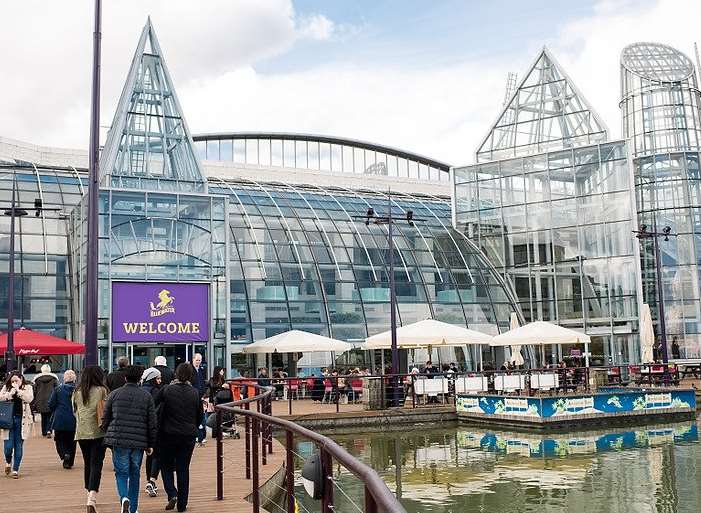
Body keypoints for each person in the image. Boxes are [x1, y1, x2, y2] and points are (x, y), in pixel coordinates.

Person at [101, 365, 157, 513]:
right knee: (135, 473)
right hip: (139, 441)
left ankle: (124, 498)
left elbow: (105, 418)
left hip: (119, 439)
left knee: (121, 472)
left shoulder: (114, 394)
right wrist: (151, 443)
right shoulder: (146, 396)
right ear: (140, 379)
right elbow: (152, 422)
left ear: (125, 378)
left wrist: (107, 434)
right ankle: (133, 508)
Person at [156, 363, 201, 512]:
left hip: (168, 434)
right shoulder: (194, 392)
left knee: (165, 465)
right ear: (190, 376)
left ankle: (172, 493)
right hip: (188, 436)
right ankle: (182, 504)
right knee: (183, 468)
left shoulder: (167, 390)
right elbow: (200, 416)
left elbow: (153, 405)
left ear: (176, 374)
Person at [74, 365, 109, 513]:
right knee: (96, 464)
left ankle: (88, 491)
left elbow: (74, 410)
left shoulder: (77, 391)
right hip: (98, 432)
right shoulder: (102, 390)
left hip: (82, 432)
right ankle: (92, 497)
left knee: (88, 462)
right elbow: (107, 410)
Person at [1, 371, 34, 478]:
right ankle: (8, 462)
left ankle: (15, 469)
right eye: (12, 381)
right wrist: (11, 393)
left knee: (18, 445)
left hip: (22, 420)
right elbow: (1, 397)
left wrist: (18, 391)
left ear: (21, 379)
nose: (14, 382)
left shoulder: (27, 387)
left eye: (17, 380)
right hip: (8, 420)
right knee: (8, 446)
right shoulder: (6, 387)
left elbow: (29, 399)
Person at [48, 369, 77, 469]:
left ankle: (64, 455)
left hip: (60, 419)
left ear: (64, 378)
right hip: (74, 419)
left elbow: (51, 404)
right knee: (72, 441)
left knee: (59, 439)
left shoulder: (58, 389)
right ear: (74, 379)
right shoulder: (78, 390)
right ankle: (69, 462)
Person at [141, 367, 163, 498]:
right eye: (158, 378)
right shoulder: (156, 392)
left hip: (141, 428)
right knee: (156, 454)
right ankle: (151, 480)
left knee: (149, 455)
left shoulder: (141, 390)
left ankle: (149, 480)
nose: (160, 380)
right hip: (155, 427)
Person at [33, 364, 59, 437]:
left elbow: (35, 391)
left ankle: (43, 431)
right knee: (50, 416)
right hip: (51, 399)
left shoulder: (37, 379)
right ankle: (49, 430)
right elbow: (57, 390)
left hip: (40, 400)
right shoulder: (54, 379)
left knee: (43, 416)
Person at [190, 354, 207, 445]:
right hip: (193, 396)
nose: (198, 362)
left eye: (199, 360)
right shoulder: (190, 370)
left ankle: (200, 435)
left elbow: (202, 381)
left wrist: (203, 392)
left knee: (201, 415)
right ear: (193, 359)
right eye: (197, 360)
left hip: (200, 396)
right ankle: (197, 435)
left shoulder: (201, 370)